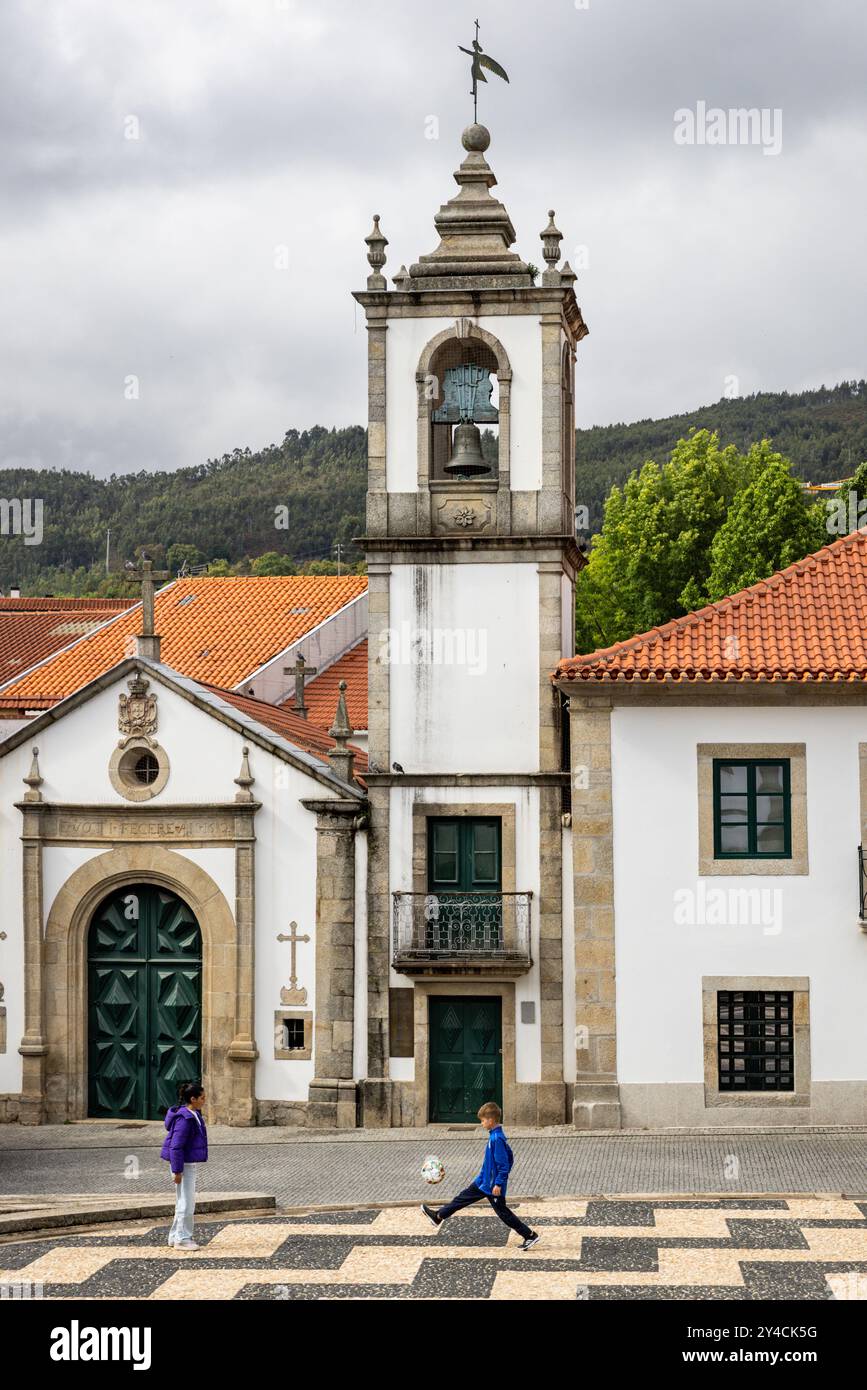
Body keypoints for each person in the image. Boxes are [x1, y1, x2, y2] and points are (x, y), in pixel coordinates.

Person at [421, 1100, 540, 1250]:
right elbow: (510, 1157)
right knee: (461, 1198)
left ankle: (530, 1236)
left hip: (492, 1186)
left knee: (503, 1213)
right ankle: (438, 1216)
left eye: (483, 1121)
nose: (482, 1124)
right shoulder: (495, 1137)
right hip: (483, 1182)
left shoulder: (497, 1139)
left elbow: (504, 1164)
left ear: (490, 1120)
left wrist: (498, 1183)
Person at [160, 1080, 208, 1250]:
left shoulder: (192, 1114)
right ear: (193, 1099)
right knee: (187, 1203)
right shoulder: (185, 1119)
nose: (204, 1100)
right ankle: (183, 1238)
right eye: (202, 1097)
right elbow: (176, 1146)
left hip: (186, 1164)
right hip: (183, 1165)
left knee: (182, 1201)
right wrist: (177, 1171)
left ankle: (174, 1236)